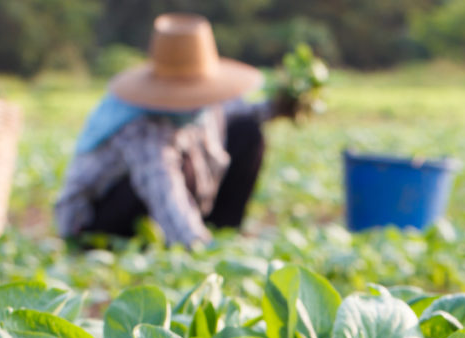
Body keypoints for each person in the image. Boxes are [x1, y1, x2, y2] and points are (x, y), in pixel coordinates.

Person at [54, 13, 296, 246]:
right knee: (175, 165)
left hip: (158, 199)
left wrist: (283, 105)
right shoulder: (140, 124)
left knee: (246, 132)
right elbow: (162, 188)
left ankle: (222, 230)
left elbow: (237, 110)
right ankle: (183, 238)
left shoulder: (198, 107)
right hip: (98, 220)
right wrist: (199, 247)